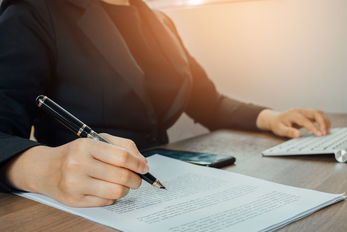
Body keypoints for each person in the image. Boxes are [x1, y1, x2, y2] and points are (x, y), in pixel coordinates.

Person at [0, 0, 330, 207]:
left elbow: (207, 100)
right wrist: (45, 169)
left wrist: (270, 117)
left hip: (168, 185)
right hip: (93, 199)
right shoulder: (35, 11)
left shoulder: (161, 21)